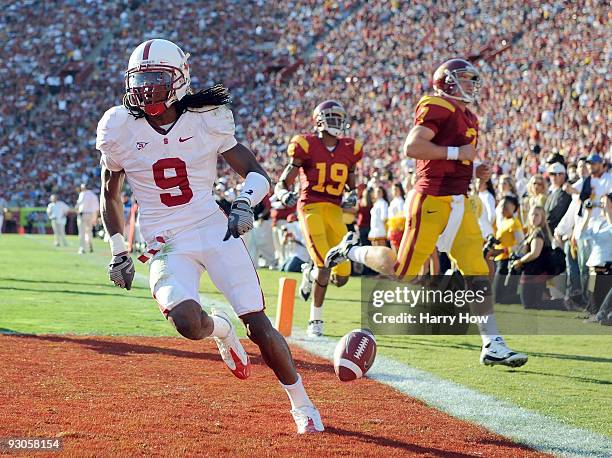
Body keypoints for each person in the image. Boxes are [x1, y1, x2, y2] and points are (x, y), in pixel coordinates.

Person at [97, 39, 322, 433]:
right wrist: (118, 251)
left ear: (180, 80)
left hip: (212, 229)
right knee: (185, 321)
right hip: (165, 242)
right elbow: (109, 192)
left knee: (260, 325)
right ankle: (219, 328)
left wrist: (243, 204)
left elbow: (254, 172)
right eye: (141, 79)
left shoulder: (206, 117)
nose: (147, 89)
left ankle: (302, 404)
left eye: (157, 78)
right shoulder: (118, 125)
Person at [325, 59, 527, 367]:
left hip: (461, 200)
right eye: (465, 78)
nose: (472, 84)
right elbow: (414, 146)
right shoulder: (437, 105)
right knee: (406, 272)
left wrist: (476, 172)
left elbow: (453, 159)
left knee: (477, 270)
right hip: (431, 199)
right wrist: (459, 154)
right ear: (446, 81)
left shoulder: (468, 115)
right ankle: (351, 249)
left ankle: (492, 343)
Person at [274, 100, 363, 337]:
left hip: (334, 210)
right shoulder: (306, 144)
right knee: (325, 265)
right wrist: (283, 193)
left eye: (340, 118)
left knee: (342, 276)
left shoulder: (350, 148)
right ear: (320, 120)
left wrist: (352, 195)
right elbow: (285, 179)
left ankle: (309, 272)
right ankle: (316, 319)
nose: (338, 123)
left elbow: (351, 182)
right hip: (310, 207)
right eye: (333, 117)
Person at [512, 207, 565, 310]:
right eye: (532, 214)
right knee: (530, 304)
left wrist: (519, 261)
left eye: (537, 215)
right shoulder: (532, 232)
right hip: (531, 272)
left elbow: (535, 253)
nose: (533, 217)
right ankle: (556, 300)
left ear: (542, 217)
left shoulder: (538, 233)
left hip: (536, 272)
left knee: (532, 305)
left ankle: (563, 303)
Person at [576, 193, 612, 320]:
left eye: (605, 203)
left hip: (607, 267)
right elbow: (581, 236)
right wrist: (588, 214)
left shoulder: (609, 223)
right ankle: (593, 314)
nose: (602, 206)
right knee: (591, 297)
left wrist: (608, 212)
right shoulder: (598, 223)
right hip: (594, 265)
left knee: (601, 300)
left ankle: (599, 316)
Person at [490, 196, 523, 304]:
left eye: (506, 205)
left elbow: (521, 244)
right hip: (500, 260)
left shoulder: (514, 222)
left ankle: (528, 297)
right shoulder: (504, 221)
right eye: (501, 205)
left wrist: (504, 251)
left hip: (508, 261)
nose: (503, 208)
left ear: (514, 207)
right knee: (498, 297)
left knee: (502, 297)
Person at [76, 183, 99, 254]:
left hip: (83, 214)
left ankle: (82, 248)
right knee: (89, 231)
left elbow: (78, 205)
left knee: (82, 232)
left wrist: (77, 210)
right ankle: (89, 245)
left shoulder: (82, 194)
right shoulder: (94, 195)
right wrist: (95, 218)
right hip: (91, 215)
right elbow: (97, 208)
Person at [387, 183, 406, 252]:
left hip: (398, 230)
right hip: (393, 229)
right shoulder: (393, 202)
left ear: (400, 190)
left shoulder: (401, 202)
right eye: (393, 189)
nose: (394, 191)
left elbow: (402, 216)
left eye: (395, 189)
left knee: (398, 253)